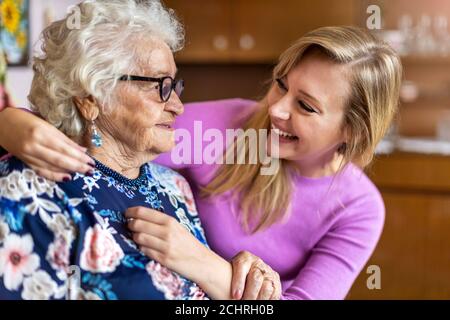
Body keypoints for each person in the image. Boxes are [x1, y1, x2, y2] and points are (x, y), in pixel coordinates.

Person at [0, 22, 402, 300]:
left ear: (352, 131)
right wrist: (10, 122)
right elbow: (104, 129)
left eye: (306, 106)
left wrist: (200, 261)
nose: (276, 109)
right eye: (281, 83)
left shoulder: (359, 209)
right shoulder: (228, 129)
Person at [0, 0, 281, 300]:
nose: (178, 106)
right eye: (159, 85)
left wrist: (244, 283)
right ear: (91, 98)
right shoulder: (27, 191)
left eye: (175, 86)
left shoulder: (174, 187)